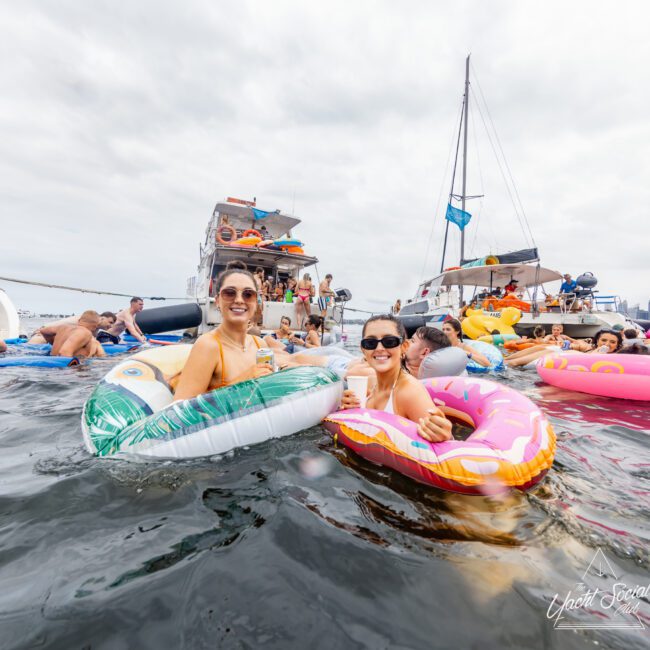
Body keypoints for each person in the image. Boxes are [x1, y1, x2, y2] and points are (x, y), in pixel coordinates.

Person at [339, 315, 452, 442]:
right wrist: (348, 410)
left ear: (404, 347)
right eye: (370, 343)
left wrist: (442, 433)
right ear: (363, 349)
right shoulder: (370, 383)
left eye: (389, 341)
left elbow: (445, 444)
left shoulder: (410, 392)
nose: (379, 348)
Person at [172, 268, 272, 400]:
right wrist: (242, 384)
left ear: (256, 302)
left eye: (248, 294)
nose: (239, 300)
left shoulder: (260, 344)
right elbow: (180, 409)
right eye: (230, 293)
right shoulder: (208, 346)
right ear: (218, 300)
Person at [506, 329, 622, 367]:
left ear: (617, 345)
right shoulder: (587, 347)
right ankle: (505, 359)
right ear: (597, 341)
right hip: (556, 352)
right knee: (541, 348)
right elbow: (574, 345)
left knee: (515, 363)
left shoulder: (616, 357)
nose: (607, 344)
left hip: (555, 358)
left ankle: (505, 364)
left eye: (612, 342)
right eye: (604, 340)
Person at [40, 311, 106, 358]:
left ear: (79, 320)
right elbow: (64, 352)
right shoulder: (85, 333)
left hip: (52, 361)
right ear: (96, 326)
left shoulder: (63, 327)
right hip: (62, 372)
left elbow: (43, 331)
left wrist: (53, 343)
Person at [29, 311, 116, 344]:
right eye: (110, 322)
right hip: (40, 334)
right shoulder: (84, 321)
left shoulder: (94, 330)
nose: (111, 326)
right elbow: (47, 329)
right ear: (102, 318)